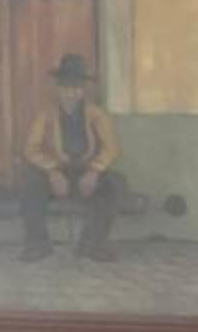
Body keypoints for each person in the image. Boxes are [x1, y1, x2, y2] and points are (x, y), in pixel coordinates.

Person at [19, 52, 124, 261]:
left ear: (83, 89)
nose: (71, 94)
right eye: (66, 87)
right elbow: (31, 148)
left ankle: (92, 243)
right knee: (30, 182)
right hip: (56, 171)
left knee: (114, 184)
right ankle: (37, 244)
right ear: (58, 89)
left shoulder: (96, 114)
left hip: (86, 171)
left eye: (76, 88)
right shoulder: (46, 114)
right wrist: (52, 171)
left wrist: (94, 170)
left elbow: (111, 148)